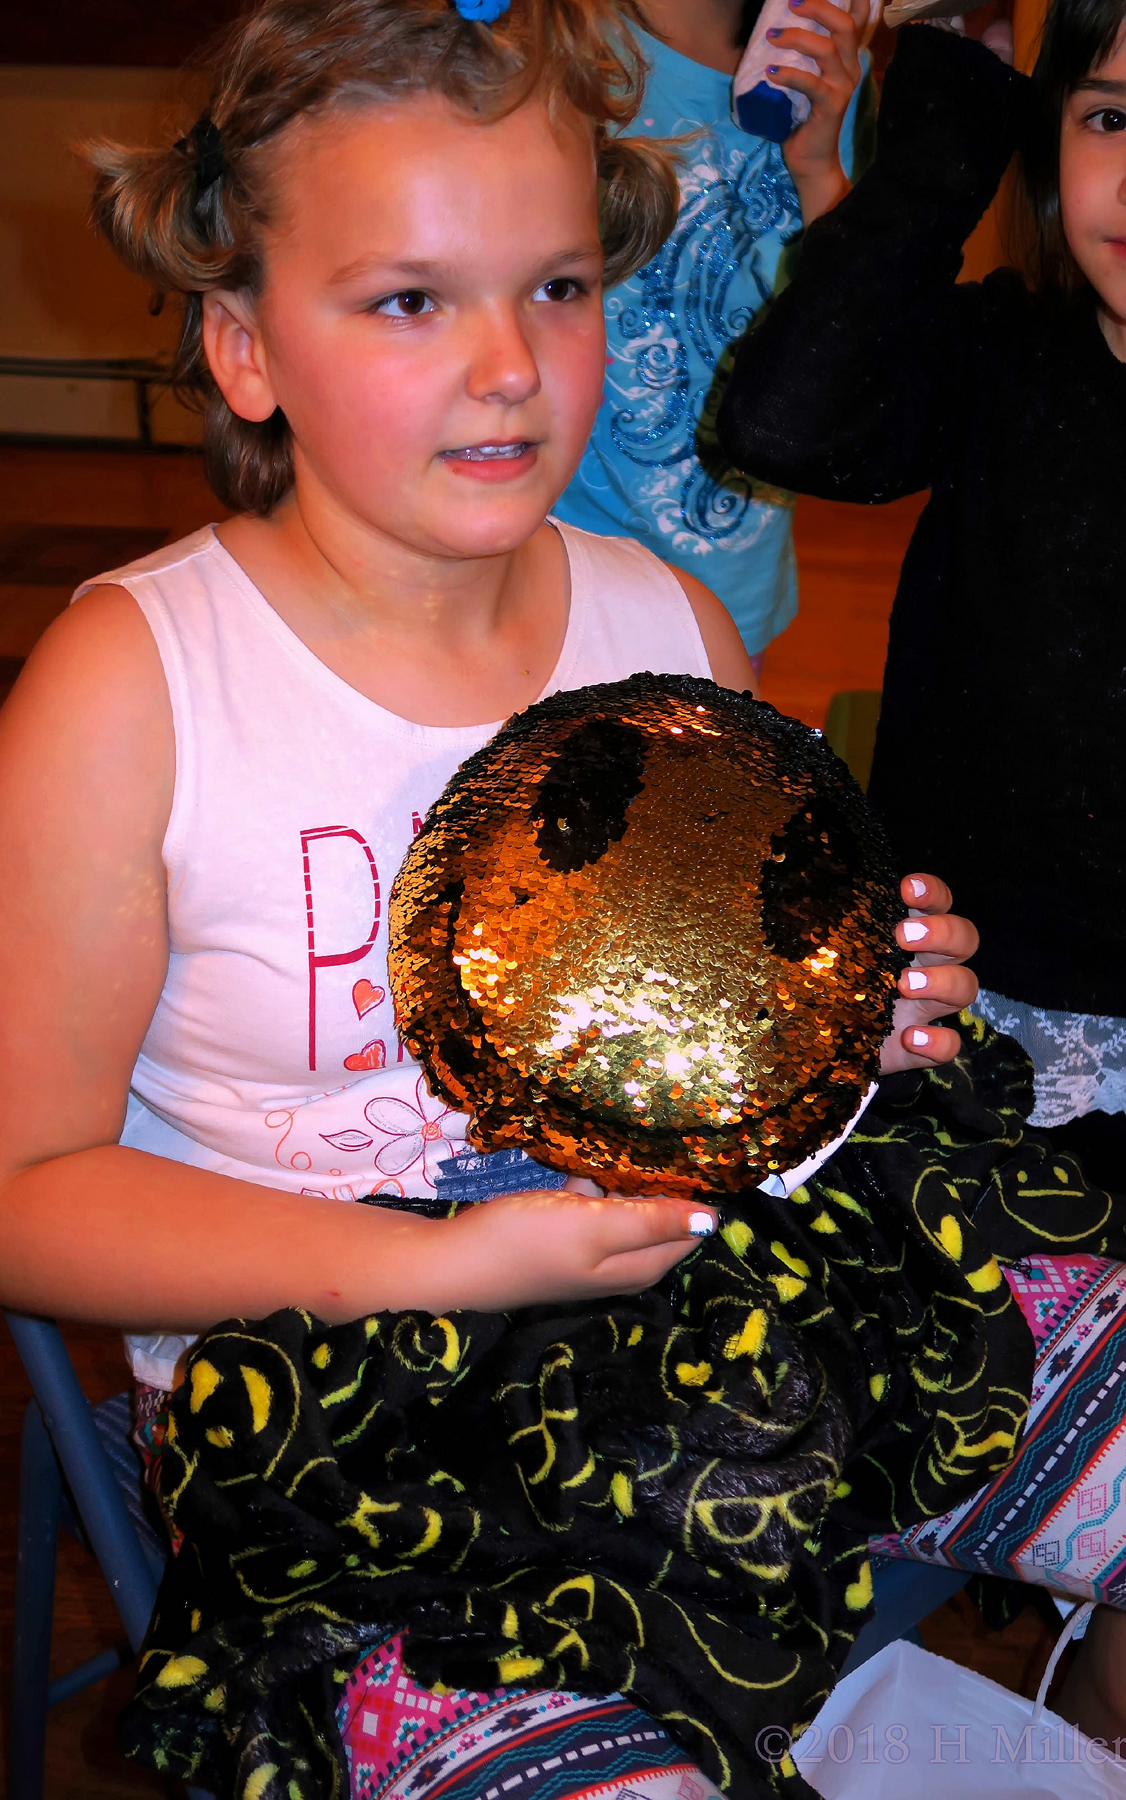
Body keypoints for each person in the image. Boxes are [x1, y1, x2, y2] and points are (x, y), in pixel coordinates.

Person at [0, 0, 976, 1793]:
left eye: (556, 288)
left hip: (689, 1303)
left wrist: (843, 1017)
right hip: (347, 1399)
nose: (510, 364)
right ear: (245, 346)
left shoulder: (668, 625)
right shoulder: (131, 693)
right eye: (412, 300)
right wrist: (455, 1264)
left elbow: (718, 1013)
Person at [717, 0, 1126, 1741]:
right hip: (973, 1065)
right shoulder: (1004, 354)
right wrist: (943, 129)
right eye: (1111, 115)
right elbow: (796, 423)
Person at [553, 0, 877, 674]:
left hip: (733, 582)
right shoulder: (559, 44)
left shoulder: (832, 72)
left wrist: (821, 172)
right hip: (563, 565)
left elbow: (848, 341)